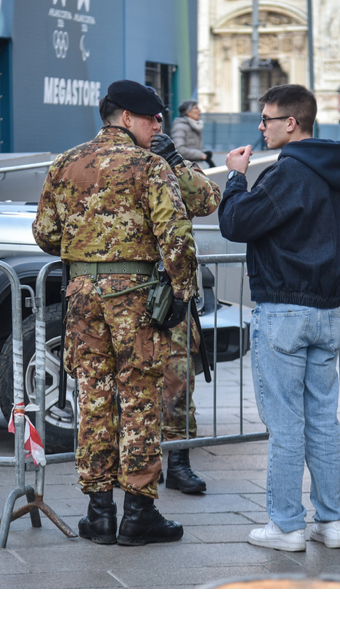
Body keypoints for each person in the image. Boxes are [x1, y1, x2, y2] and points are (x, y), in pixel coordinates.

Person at [32, 79, 198, 547]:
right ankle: (139, 513)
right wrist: (181, 293)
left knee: (95, 397)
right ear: (126, 117)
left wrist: (86, 253)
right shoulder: (150, 166)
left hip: (83, 296)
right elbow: (176, 236)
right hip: (137, 297)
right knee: (140, 399)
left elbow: (44, 233)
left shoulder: (65, 164)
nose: (158, 126)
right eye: (151, 119)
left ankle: (99, 512)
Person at [217, 83, 340, 552]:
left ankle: (286, 525)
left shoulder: (290, 174)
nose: (260, 127)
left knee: (285, 425)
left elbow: (237, 223)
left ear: (292, 123)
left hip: (284, 309)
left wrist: (236, 178)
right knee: (322, 421)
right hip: (325, 311)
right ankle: (332, 520)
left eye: (266, 119)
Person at [148, 129, 221, 494]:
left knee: (178, 380)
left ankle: (178, 462)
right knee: (128, 387)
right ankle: (140, 465)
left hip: (170, 291)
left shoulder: (171, 162)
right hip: (127, 294)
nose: (156, 127)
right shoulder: (114, 161)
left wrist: (175, 162)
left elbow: (209, 199)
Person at [171, 100, 212, 166]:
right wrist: (200, 155)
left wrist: (204, 153)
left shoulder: (194, 125)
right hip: (186, 168)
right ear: (188, 112)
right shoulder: (179, 126)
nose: (199, 111)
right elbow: (179, 149)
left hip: (195, 166)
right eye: (196, 108)